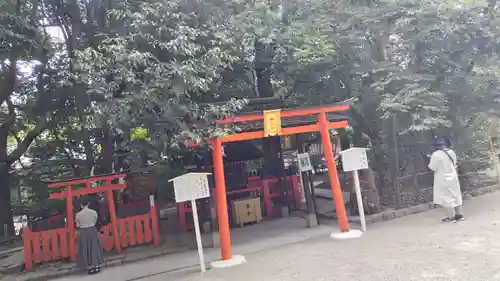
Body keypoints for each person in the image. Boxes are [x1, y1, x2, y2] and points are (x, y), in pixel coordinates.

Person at [428, 137, 465, 222]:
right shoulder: (451, 152)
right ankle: (459, 215)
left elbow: (432, 167)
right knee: (456, 195)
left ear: (436, 145)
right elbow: (455, 163)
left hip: (442, 178)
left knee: (446, 197)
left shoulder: (436, 154)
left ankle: (451, 217)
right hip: (453, 176)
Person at [75, 196, 104, 274]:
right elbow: (95, 221)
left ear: (81, 205)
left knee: (86, 248)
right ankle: (96, 266)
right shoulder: (93, 212)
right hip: (92, 230)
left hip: (83, 231)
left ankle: (89, 267)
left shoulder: (78, 214)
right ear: (88, 203)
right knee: (94, 247)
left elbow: (78, 225)